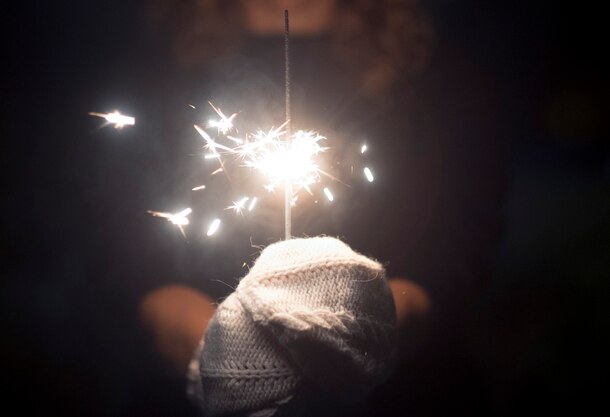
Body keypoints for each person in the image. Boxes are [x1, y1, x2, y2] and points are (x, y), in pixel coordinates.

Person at [137, 0, 503, 415]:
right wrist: (220, 354)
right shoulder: (156, 70)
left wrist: (375, 329)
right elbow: (130, 257)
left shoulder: (438, 73)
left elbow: (454, 249)